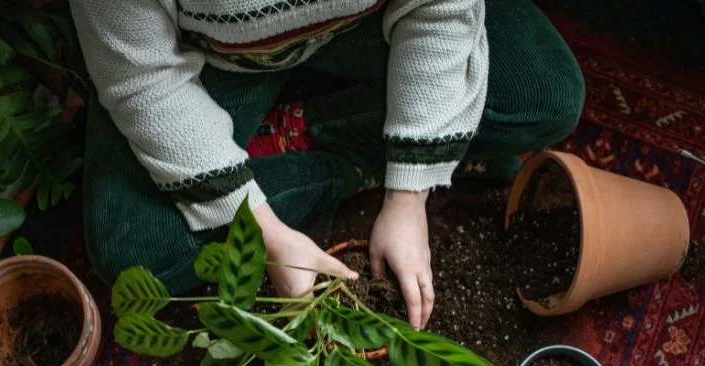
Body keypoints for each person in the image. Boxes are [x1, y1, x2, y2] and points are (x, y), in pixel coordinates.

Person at [70, 0, 584, 330]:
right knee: (133, 250)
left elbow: (440, 7)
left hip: (365, 21)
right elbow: (143, 80)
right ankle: (343, 153)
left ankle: (304, 129)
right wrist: (264, 232)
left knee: (546, 95)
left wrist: (409, 196)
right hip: (214, 57)